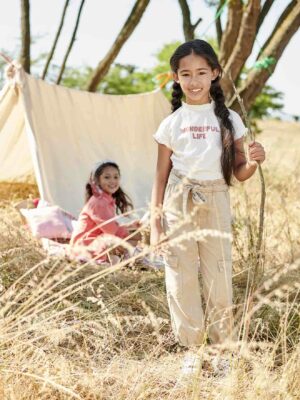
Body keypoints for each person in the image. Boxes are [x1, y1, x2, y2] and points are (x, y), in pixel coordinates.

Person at [150, 40, 265, 354]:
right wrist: (155, 226)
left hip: (215, 197)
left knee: (219, 275)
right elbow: (159, 178)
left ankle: (221, 349)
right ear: (176, 77)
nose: (194, 80)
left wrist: (254, 161)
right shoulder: (171, 124)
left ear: (215, 73)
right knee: (180, 275)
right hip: (178, 199)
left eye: (201, 72)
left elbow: (240, 172)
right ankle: (192, 350)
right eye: (185, 74)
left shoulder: (229, 120)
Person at [70, 160, 140, 264]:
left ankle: (125, 259)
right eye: (107, 177)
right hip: (85, 247)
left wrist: (130, 226)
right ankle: (125, 260)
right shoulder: (99, 202)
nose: (112, 181)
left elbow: (110, 227)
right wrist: (131, 231)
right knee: (136, 237)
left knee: (134, 237)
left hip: (95, 242)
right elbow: (111, 231)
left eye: (116, 177)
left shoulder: (106, 199)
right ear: (97, 181)